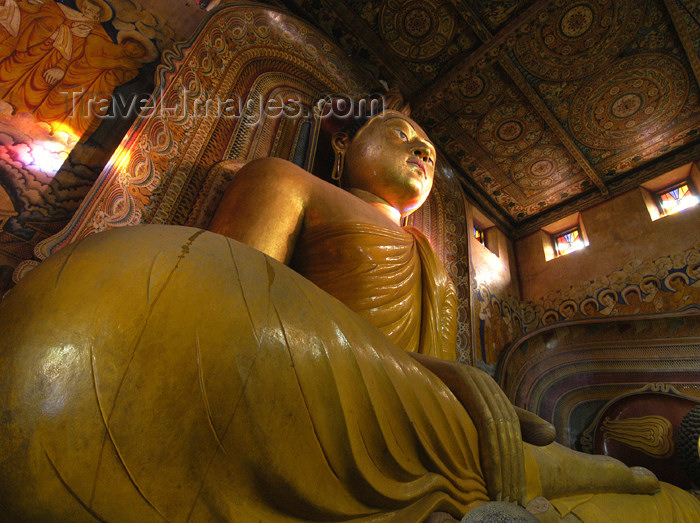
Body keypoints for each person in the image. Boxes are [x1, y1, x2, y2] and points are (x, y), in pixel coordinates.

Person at [0, 110, 698, 522]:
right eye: (401, 132)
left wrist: (460, 386)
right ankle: (601, 478)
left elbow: (445, 366)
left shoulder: (436, 261)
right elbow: (227, 285)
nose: (422, 148)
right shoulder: (290, 182)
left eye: (429, 146)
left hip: (422, 404)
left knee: (506, 435)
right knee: (177, 277)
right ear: (346, 149)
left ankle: (629, 479)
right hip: (323, 380)